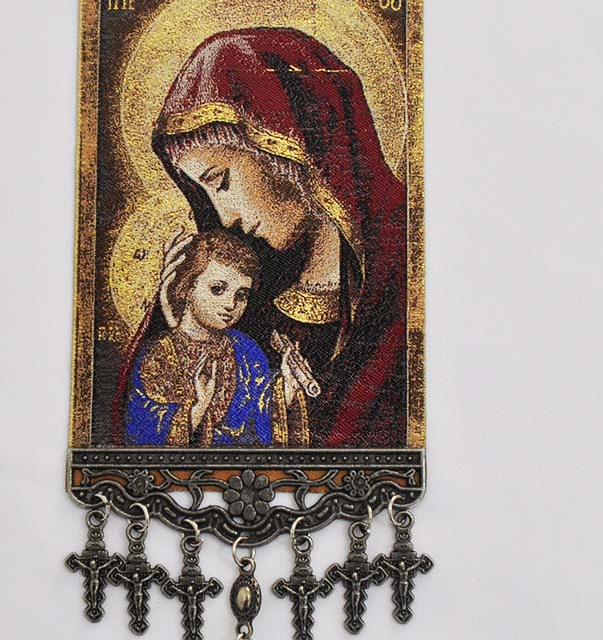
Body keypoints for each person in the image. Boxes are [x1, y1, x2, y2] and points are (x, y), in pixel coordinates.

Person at [112, 27, 407, 447]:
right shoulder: (248, 293)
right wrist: (182, 332)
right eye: (206, 194)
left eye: (221, 182)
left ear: (286, 148)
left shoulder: (401, 271)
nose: (223, 217)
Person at [124, 229, 312, 446]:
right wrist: (197, 410)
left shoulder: (245, 349)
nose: (231, 304)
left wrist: (286, 389)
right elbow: (141, 433)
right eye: (217, 289)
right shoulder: (159, 354)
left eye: (241, 295)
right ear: (187, 287)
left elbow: (260, 419)